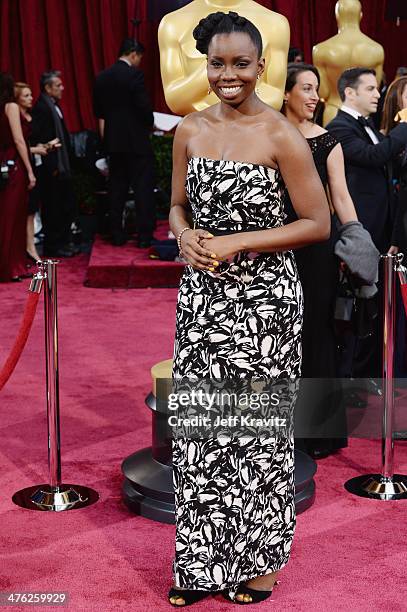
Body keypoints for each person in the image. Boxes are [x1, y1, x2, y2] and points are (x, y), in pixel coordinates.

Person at [168, 12, 329, 606]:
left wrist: (236, 242)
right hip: (203, 300)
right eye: (217, 63)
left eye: (240, 63)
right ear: (203, 64)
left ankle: (258, 565)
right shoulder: (189, 129)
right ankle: (200, 564)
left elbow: (318, 224)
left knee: (256, 435)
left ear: (262, 66)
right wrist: (184, 236)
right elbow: (178, 207)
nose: (228, 74)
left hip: (265, 304)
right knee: (203, 433)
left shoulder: (280, 134)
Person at [282, 62, 368, 458]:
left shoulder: (328, 141)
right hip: (275, 245)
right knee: (281, 333)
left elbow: (342, 197)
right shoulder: (272, 136)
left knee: (315, 332)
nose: (315, 96)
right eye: (306, 88)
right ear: (286, 94)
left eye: (317, 89)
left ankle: (316, 433)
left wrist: (357, 239)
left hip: (316, 250)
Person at [327, 67, 407, 377]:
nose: (378, 94)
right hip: (360, 231)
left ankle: (368, 374)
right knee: (357, 307)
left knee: (375, 309)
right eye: (371, 89)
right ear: (350, 92)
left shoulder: (368, 126)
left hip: (382, 230)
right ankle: (350, 380)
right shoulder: (339, 127)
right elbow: (373, 157)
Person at [93, 38, 155, 248]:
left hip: (114, 143)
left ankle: (117, 234)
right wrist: (151, 123)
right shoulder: (134, 75)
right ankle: (144, 236)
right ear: (134, 54)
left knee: (116, 189)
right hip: (136, 142)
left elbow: (99, 112)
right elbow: (144, 108)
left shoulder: (102, 77)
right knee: (142, 188)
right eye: (139, 57)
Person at [31, 70, 77, 258]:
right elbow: (41, 138)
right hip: (52, 167)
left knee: (63, 205)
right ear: (48, 88)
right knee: (53, 207)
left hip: (60, 165)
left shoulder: (53, 105)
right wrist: (54, 167)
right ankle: (54, 246)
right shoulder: (42, 108)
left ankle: (63, 242)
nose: (62, 88)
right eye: (58, 85)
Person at [0, 73, 36, 282]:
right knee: (13, 218)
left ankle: (11, 265)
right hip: (15, 164)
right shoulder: (11, 107)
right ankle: (11, 267)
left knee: (5, 215)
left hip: (3, 162)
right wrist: (30, 170)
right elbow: (19, 140)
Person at [14, 81, 50, 262]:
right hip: (22, 166)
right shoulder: (15, 118)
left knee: (32, 208)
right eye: (26, 96)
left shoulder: (30, 116)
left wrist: (42, 146)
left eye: (30, 95)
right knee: (25, 208)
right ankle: (26, 247)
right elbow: (17, 144)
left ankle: (30, 245)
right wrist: (35, 150)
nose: (30, 98)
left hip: (35, 164)